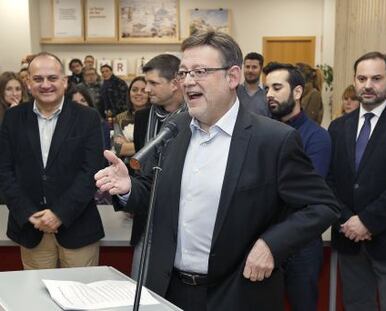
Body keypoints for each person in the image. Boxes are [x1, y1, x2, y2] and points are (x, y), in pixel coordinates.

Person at [95, 31, 340, 311]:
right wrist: (128, 189)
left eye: (199, 71)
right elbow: (155, 191)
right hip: (169, 289)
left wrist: (272, 244)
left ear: (232, 77)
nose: (188, 81)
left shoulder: (273, 140)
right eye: (184, 72)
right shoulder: (174, 130)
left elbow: (323, 205)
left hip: (238, 293)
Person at [0, 52, 105, 270]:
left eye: (52, 78)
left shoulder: (88, 118)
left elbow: (92, 171)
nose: (45, 85)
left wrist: (60, 214)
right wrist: (29, 214)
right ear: (28, 83)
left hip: (77, 227)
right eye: (38, 79)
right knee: (37, 300)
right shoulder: (13, 118)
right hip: (31, 227)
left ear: (64, 82)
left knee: (80, 299)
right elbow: (5, 171)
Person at [328, 51, 386, 311]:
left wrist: (367, 221)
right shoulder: (338, 126)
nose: (367, 85)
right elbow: (329, 181)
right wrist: (346, 220)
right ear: (354, 80)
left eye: (376, 78)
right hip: (349, 241)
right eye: (362, 78)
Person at [263, 62, 331, 311]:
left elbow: (306, 195)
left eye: (277, 87)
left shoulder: (317, 137)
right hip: (262, 240)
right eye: (266, 88)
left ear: (298, 92)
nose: (269, 93)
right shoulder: (260, 132)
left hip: (301, 245)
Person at [131, 54, 187, 281]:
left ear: (175, 83)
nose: (146, 89)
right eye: (146, 82)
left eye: (154, 83)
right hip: (146, 221)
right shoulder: (143, 117)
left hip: (179, 223)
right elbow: (139, 172)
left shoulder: (193, 119)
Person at [113, 76, 149, 165]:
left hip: (149, 168)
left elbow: (157, 147)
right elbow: (119, 149)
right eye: (134, 90)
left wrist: (128, 144)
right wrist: (146, 144)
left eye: (143, 90)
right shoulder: (120, 118)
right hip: (126, 168)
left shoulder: (156, 116)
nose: (138, 93)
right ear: (129, 93)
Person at [67, 85, 111, 151]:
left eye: (83, 100)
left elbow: (102, 151)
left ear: (89, 103)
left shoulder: (102, 125)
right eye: (75, 102)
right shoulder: (65, 126)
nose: (79, 105)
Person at [236, 52, 269, 116]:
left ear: (261, 69)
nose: (250, 70)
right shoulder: (234, 91)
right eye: (247, 67)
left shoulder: (268, 92)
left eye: (254, 67)